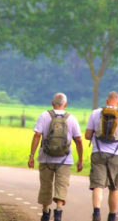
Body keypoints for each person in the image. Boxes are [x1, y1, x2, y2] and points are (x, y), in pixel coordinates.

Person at [28, 93, 83, 221]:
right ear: (65, 104)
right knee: (62, 184)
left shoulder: (44, 115)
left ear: (52, 103)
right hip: (65, 159)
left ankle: (46, 212)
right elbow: (79, 140)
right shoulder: (71, 118)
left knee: (46, 185)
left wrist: (31, 155)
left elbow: (37, 135)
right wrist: (80, 160)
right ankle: (58, 211)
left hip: (45, 158)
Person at [85, 91, 118, 221]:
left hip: (98, 154)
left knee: (98, 185)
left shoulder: (95, 113)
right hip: (116, 155)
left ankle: (96, 213)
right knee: (114, 187)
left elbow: (87, 136)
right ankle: (112, 216)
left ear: (107, 101)